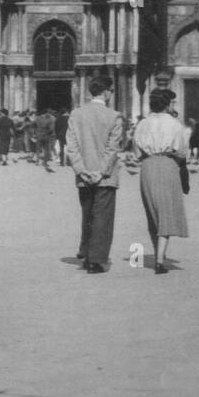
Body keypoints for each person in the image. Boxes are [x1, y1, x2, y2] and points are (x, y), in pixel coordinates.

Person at [65, 76, 124, 274]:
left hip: (84, 176)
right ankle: (96, 260)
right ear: (107, 92)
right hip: (105, 177)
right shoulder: (114, 116)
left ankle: (87, 253)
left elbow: (71, 147)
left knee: (88, 215)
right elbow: (112, 148)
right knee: (103, 218)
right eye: (112, 91)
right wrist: (101, 172)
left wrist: (82, 170)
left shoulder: (76, 114)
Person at [131, 87, 189, 273]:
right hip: (167, 165)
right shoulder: (175, 124)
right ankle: (160, 259)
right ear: (167, 104)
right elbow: (181, 151)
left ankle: (158, 253)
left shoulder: (142, 124)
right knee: (166, 212)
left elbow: (136, 152)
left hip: (147, 167)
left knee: (153, 213)